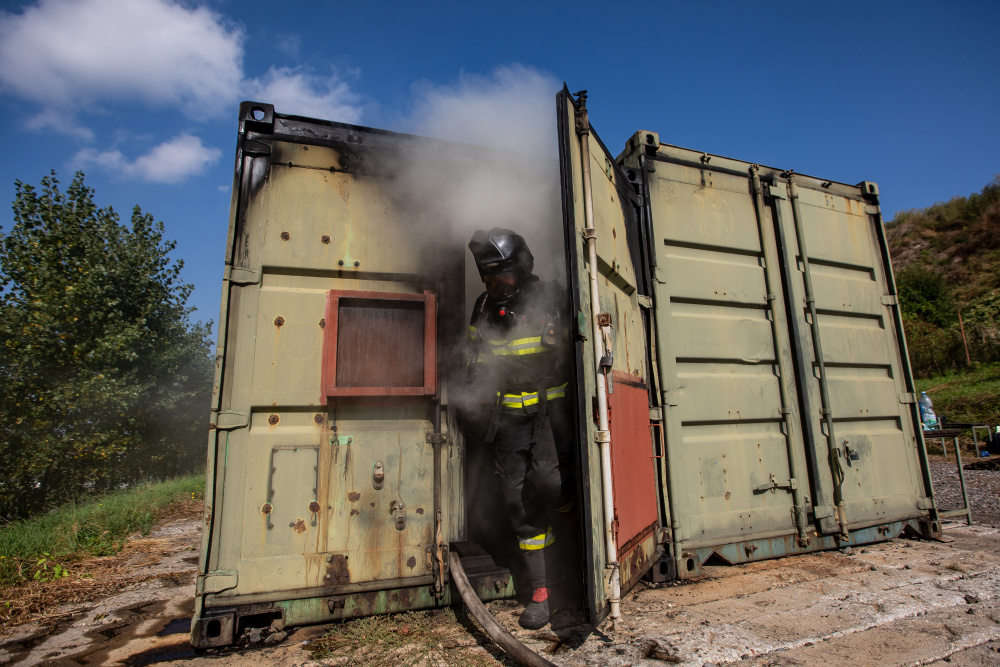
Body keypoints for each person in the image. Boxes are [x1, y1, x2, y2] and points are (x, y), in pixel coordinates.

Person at [466, 227, 577, 630]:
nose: (497, 285)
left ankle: (572, 528)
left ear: (523, 267)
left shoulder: (552, 298)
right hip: (509, 415)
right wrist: (471, 389)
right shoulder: (482, 308)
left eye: (504, 276)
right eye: (490, 277)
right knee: (516, 501)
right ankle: (544, 590)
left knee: (549, 483)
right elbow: (476, 358)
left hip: (551, 410)